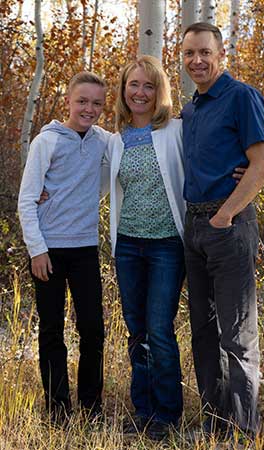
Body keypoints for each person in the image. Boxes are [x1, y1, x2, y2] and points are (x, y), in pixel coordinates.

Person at [181, 22, 264, 438]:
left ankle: (242, 431)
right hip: (194, 227)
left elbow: (261, 165)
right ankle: (216, 426)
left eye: (204, 52)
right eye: (188, 54)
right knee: (202, 331)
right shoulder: (191, 108)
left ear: (221, 55)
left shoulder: (241, 97)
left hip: (227, 225)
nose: (196, 61)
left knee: (237, 336)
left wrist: (225, 215)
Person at [18, 72, 111, 425]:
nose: (89, 108)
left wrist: (85, 196)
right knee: (52, 330)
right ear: (68, 102)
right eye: (82, 101)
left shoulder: (103, 140)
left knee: (93, 330)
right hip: (49, 252)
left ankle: (91, 407)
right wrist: (36, 250)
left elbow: (111, 175)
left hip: (85, 248)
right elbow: (27, 200)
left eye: (97, 103)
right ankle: (58, 410)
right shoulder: (48, 142)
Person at [101, 55, 186, 441]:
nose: (139, 92)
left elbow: (207, 161)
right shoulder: (115, 141)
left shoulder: (177, 130)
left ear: (159, 92)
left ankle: (167, 415)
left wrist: (241, 169)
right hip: (129, 248)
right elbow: (92, 179)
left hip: (167, 246)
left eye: (148, 86)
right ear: (123, 91)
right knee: (137, 331)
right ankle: (143, 411)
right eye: (133, 85)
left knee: (159, 329)